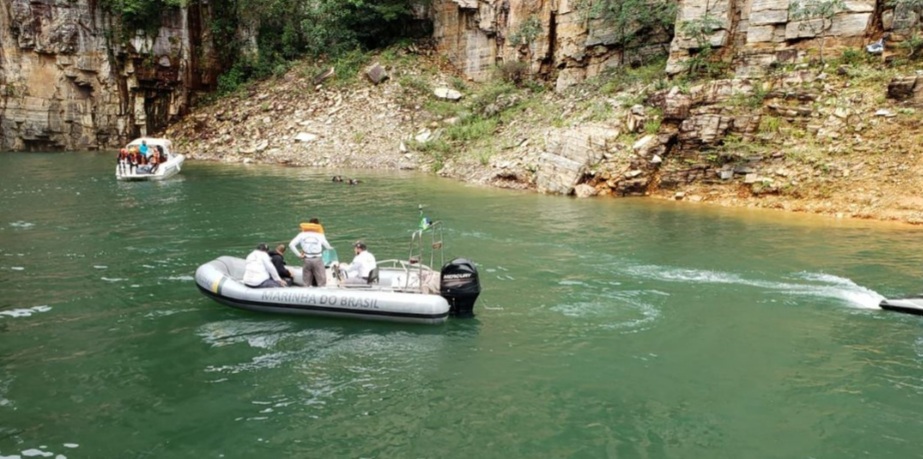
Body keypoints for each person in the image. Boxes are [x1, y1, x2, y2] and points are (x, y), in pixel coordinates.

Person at [289, 218, 333, 287]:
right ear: (318, 225)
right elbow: (327, 246)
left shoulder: (301, 234)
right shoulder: (320, 235)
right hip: (317, 259)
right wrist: (331, 248)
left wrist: (299, 255)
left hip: (306, 259)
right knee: (321, 282)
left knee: (306, 282)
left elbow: (291, 245)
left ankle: (306, 291)